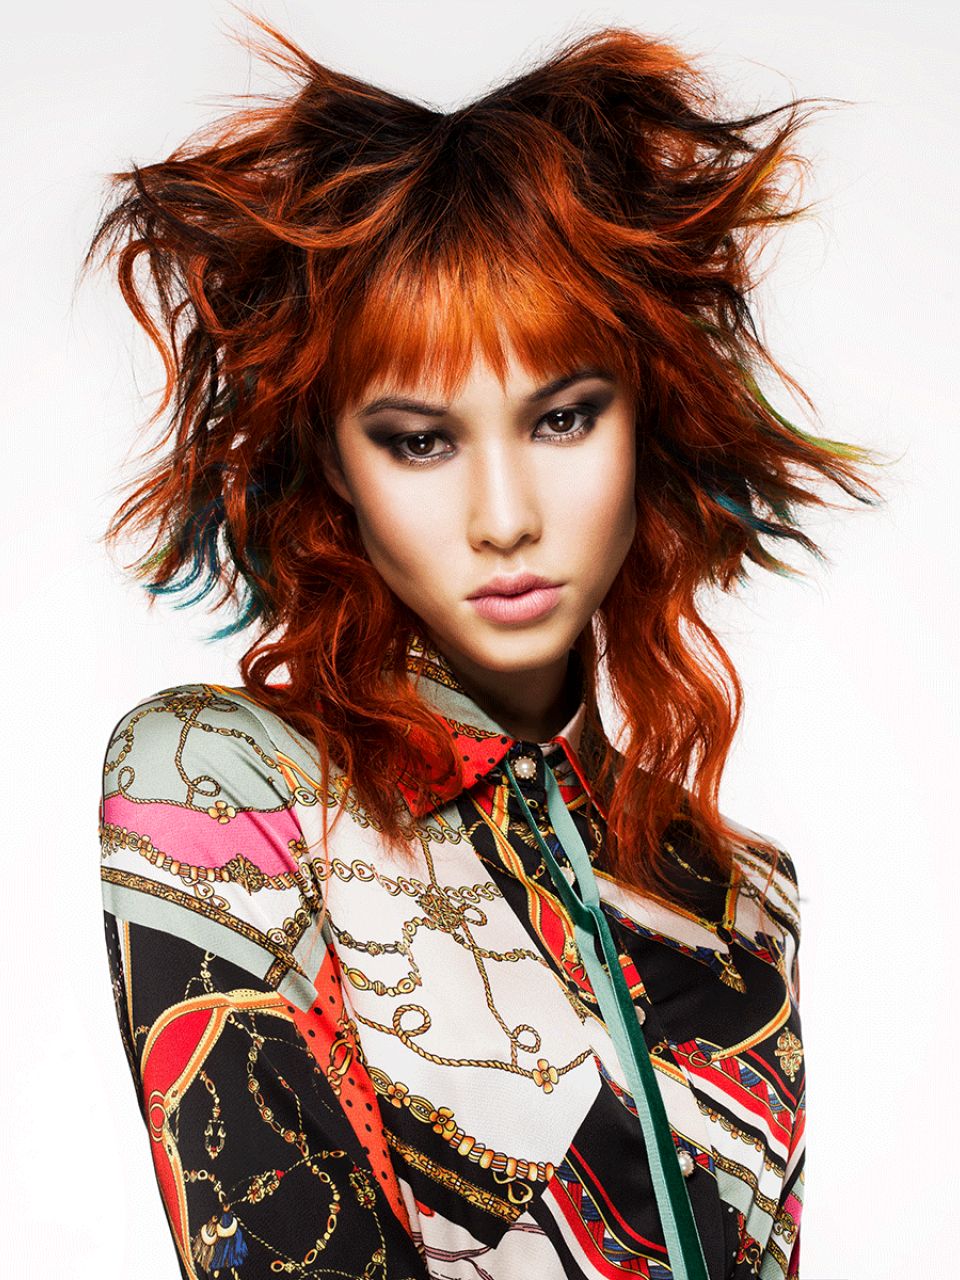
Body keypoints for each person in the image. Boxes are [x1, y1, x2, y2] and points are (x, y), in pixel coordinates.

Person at [88, 18, 879, 1280]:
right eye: (421, 439)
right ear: (335, 464)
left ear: (643, 415)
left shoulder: (747, 900)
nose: (504, 516)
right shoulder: (225, 787)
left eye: (562, 417)